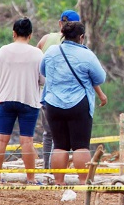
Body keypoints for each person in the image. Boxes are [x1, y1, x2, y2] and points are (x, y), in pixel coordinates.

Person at [37, 9, 107, 169]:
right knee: (80, 146)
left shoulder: (51, 51)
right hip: (79, 104)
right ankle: (82, 182)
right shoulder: (87, 54)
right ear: (81, 37)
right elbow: (100, 78)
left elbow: (43, 70)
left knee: (60, 146)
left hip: (53, 104)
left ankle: (58, 181)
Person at [0, 17, 45, 184]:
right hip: (29, 100)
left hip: (5, 99)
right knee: (27, 140)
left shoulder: (3, 51)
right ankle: (30, 178)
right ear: (30, 35)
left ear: (13, 33)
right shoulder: (37, 53)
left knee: (1, 138)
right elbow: (43, 81)